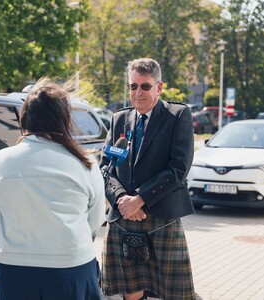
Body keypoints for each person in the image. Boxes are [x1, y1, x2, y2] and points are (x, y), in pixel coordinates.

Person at [0, 78, 106, 300]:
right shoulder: (84, 163)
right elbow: (95, 220)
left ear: (25, 118)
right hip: (71, 264)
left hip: (14, 267)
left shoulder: (1, 160)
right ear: (64, 119)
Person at [100, 58, 195, 299]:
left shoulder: (177, 116)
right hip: (124, 216)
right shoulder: (118, 119)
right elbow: (106, 169)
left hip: (160, 216)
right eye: (133, 86)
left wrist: (139, 199)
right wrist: (122, 199)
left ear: (159, 87)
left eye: (145, 86)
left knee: (173, 292)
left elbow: (178, 168)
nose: (138, 92)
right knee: (130, 292)